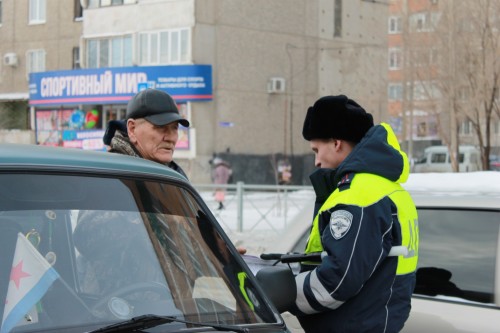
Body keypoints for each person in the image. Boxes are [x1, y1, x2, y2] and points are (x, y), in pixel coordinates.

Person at [288, 95, 419, 333]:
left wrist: (283, 293)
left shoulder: (360, 195)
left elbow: (336, 281)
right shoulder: (386, 188)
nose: (316, 161)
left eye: (317, 150)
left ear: (336, 143)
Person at [103, 88, 190, 178]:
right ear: (132, 129)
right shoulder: (110, 175)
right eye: (161, 127)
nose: (171, 138)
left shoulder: (176, 175)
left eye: (175, 128)